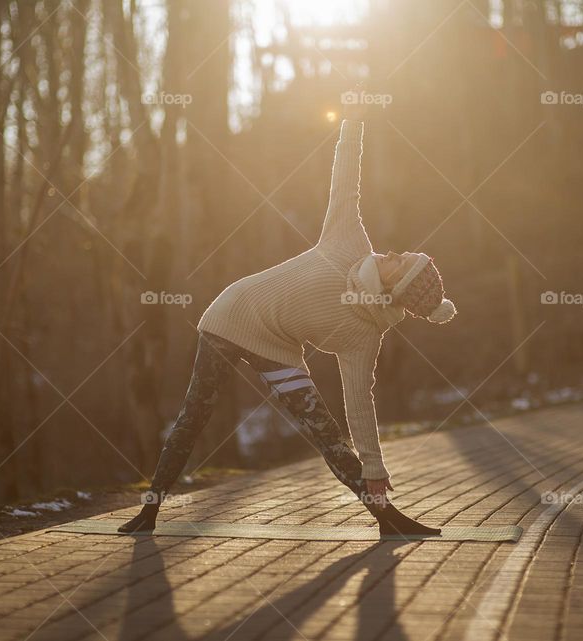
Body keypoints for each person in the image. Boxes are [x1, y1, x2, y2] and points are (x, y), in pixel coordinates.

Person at [119, 90, 456, 537]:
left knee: (326, 432)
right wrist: (353, 124)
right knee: (194, 416)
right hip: (233, 315)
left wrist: (374, 465)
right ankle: (149, 511)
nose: (393, 251)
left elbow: (359, 405)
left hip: (277, 346)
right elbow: (345, 182)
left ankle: (386, 517)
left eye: (402, 260)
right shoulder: (348, 241)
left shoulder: (365, 335)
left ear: (398, 286)